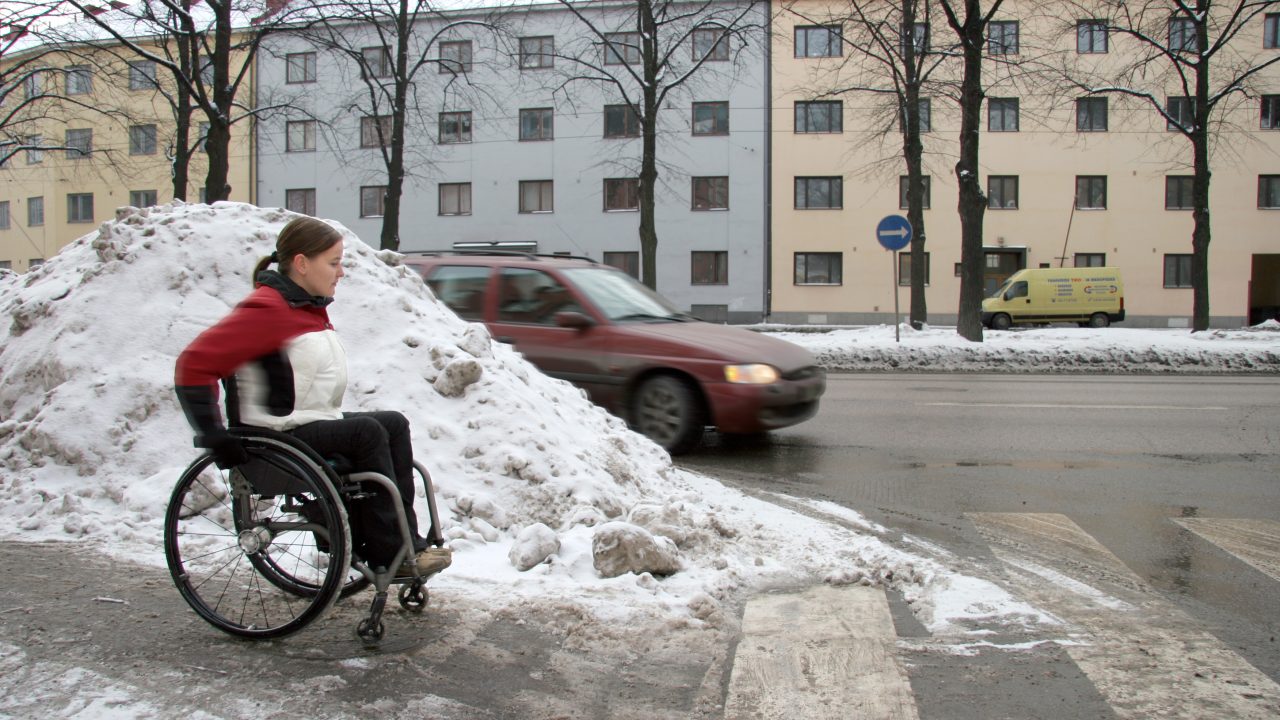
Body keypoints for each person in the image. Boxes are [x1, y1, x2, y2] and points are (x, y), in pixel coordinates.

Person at [174, 216, 450, 578]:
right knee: (366, 432)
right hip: (272, 440)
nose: (341, 272)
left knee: (393, 424)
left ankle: (403, 542)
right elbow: (194, 365)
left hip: (303, 426)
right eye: (334, 262)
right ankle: (391, 552)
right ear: (302, 264)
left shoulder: (305, 309)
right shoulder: (267, 309)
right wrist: (214, 435)